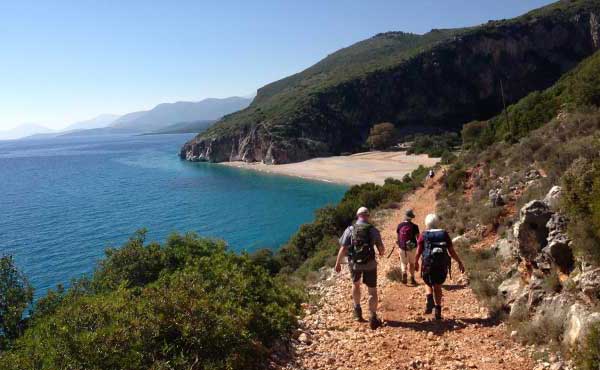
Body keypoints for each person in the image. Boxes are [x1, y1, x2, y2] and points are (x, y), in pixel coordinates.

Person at [335, 207, 385, 329]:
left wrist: (337, 263)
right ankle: (373, 318)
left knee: (356, 284)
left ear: (357, 216)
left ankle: (357, 312)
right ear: (367, 216)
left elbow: (343, 248)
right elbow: (381, 250)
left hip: (354, 264)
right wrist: (381, 253)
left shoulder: (350, 229)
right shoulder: (373, 230)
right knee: (372, 291)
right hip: (370, 264)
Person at [414, 214, 465, 320]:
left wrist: (416, 262)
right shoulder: (444, 234)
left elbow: (418, 251)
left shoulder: (423, 235)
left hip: (428, 264)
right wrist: (459, 262)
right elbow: (451, 251)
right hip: (441, 265)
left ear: (427, 223)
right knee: (437, 286)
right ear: (437, 223)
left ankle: (429, 298)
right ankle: (438, 310)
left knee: (427, 282)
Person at [396, 209, 420, 285]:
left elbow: (398, 238)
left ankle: (404, 272)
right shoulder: (415, 226)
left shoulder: (400, 225)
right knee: (412, 263)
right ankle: (412, 278)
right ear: (411, 217)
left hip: (402, 247)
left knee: (403, 262)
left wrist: (399, 245)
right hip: (412, 247)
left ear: (405, 216)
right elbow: (418, 238)